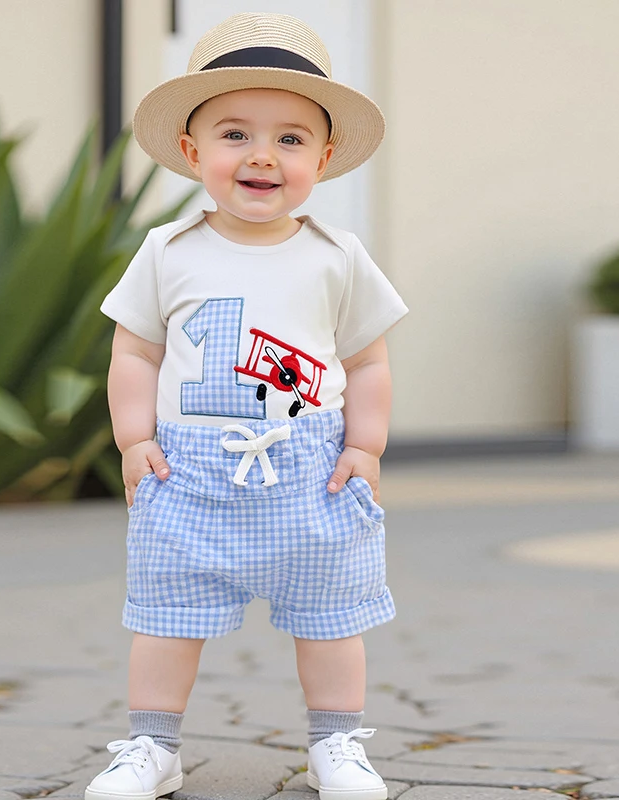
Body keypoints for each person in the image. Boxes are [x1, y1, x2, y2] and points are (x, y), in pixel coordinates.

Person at [85, 12, 408, 800]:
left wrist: (364, 446)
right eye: (235, 134)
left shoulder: (337, 256)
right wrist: (133, 439)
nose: (263, 155)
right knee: (166, 615)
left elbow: (367, 360)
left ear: (322, 160)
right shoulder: (167, 250)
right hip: (188, 473)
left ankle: (337, 744)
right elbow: (135, 352)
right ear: (193, 150)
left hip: (313, 470)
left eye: (291, 139)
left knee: (331, 617)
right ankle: (152, 746)